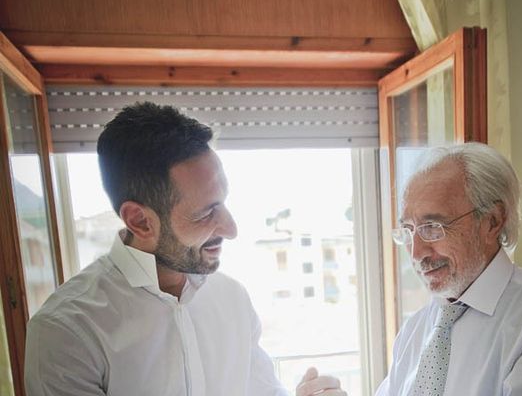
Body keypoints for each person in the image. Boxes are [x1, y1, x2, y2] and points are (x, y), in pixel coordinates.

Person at [25, 102, 346, 396]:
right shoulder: (66, 332)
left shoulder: (232, 298)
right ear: (140, 221)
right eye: (206, 212)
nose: (231, 228)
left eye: (223, 202)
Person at [375, 142, 522, 396]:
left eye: (433, 227)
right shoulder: (415, 329)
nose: (416, 252)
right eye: (408, 230)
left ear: (492, 221)